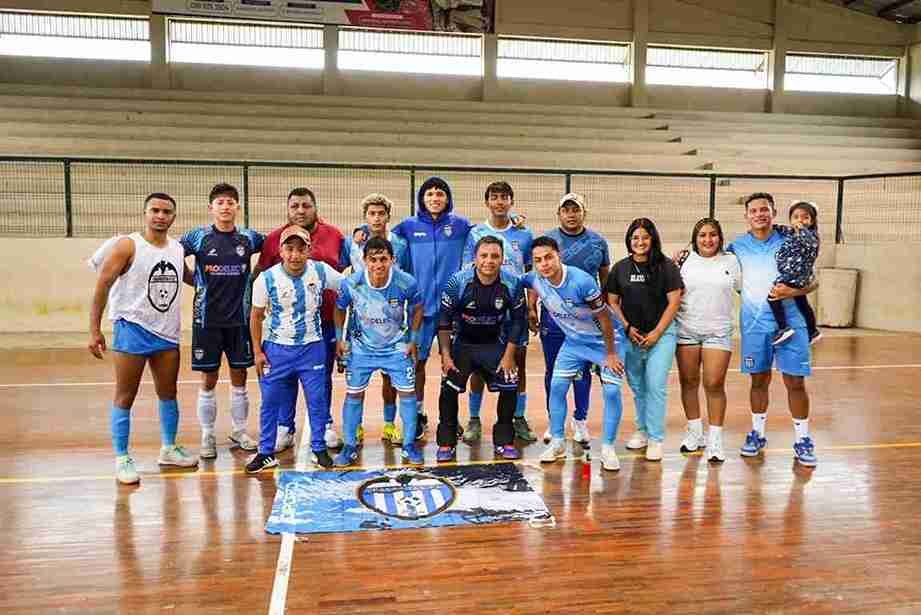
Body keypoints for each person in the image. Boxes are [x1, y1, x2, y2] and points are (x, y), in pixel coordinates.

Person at [88, 193, 197, 484]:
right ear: (145, 213)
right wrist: (94, 329)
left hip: (167, 332)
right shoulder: (128, 245)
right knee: (125, 395)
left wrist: (223, 278)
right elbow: (103, 284)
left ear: (174, 217)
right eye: (155, 210)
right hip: (131, 328)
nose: (160, 216)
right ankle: (122, 458)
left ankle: (168, 448)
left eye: (166, 212)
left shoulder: (176, 248)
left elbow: (189, 277)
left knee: (168, 393)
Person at [729, 192, 818, 467]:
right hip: (755, 325)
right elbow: (707, 257)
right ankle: (757, 433)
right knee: (758, 381)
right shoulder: (736, 246)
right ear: (746, 216)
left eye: (764, 210)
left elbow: (814, 281)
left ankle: (803, 439)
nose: (759, 214)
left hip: (791, 324)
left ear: (774, 213)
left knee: (795, 382)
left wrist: (794, 290)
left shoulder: (791, 238)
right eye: (754, 210)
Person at [523, 236, 627, 471]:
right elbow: (509, 277)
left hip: (608, 341)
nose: (544, 264)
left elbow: (604, 318)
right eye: (538, 260)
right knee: (558, 385)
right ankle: (558, 442)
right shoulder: (535, 278)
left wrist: (610, 354)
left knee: (611, 391)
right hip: (575, 342)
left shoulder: (582, 281)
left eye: (549, 257)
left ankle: (608, 448)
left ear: (559, 255)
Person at [254, 187, 345, 453]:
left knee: (320, 379)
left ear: (315, 207)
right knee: (284, 380)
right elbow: (260, 278)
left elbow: (350, 277)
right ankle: (285, 427)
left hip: (322, 325)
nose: (301, 211)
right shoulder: (272, 240)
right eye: (295, 206)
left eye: (306, 206)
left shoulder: (335, 235)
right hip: (281, 332)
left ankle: (325, 425)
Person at [180, 183, 263, 460]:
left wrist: (257, 276)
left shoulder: (248, 238)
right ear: (211, 208)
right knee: (209, 378)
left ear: (238, 207)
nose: (225, 207)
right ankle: (207, 434)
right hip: (207, 320)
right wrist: (194, 280)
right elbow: (170, 254)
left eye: (230, 202)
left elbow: (276, 244)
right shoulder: (198, 237)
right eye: (220, 202)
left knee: (240, 377)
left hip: (240, 320)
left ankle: (239, 431)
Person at [391, 176, 472, 441]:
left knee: (455, 364)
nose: (435, 198)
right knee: (418, 363)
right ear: (422, 199)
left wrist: (514, 219)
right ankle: (417, 415)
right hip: (420, 309)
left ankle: (450, 418)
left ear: (447, 199)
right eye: (430, 194)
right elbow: (384, 240)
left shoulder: (460, 226)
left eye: (440, 193)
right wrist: (362, 232)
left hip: (453, 309)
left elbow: (487, 233)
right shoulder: (408, 227)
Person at [333, 237, 425, 467]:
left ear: (392, 260)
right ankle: (350, 446)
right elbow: (339, 308)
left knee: (407, 394)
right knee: (354, 395)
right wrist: (339, 339)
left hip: (396, 348)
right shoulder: (351, 283)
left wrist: (413, 339)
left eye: (383, 259)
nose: (378, 265)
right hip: (361, 348)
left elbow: (418, 307)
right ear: (364, 261)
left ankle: (409, 444)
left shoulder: (406, 282)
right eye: (372, 260)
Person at [435, 236, 526, 462]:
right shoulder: (457, 282)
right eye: (484, 256)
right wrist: (446, 356)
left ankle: (504, 440)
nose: (489, 261)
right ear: (474, 258)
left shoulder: (512, 283)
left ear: (502, 259)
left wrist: (508, 356)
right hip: (463, 345)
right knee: (448, 388)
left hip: (494, 344)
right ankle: (446, 442)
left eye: (495, 256)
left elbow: (518, 322)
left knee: (510, 382)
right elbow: (444, 321)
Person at [532, 192, 611, 446]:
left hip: (585, 320)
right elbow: (535, 277)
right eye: (566, 210)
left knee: (582, 370)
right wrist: (531, 306)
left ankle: (580, 420)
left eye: (575, 210)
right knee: (553, 370)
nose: (571, 214)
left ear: (583, 212)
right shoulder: (548, 241)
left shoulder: (598, 242)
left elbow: (605, 279)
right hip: (553, 318)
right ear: (559, 214)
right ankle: (555, 422)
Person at [461, 181, 535, 443]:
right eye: (495, 197)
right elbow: (468, 270)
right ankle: (473, 419)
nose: (500, 202)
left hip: (514, 309)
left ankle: (518, 417)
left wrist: (532, 306)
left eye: (505, 197)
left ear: (511, 201)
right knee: (478, 366)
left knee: (519, 363)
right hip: (482, 309)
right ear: (487, 202)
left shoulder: (525, 235)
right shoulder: (476, 233)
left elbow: (531, 273)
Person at [607, 218, 683, 462]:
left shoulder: (666, 267)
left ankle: (656, 439)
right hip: (631, 336)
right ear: (629, 240)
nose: (640, 242)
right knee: (638, 386)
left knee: (656, 385)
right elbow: (612, 301)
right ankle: (642, 430)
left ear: (653, 239)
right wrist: (627, 328)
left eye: (645, 237)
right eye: (635, 237)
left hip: (661, 335)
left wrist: (658, 333)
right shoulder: (620, 268)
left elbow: (674, 302)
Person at [339, 193, 410, 446]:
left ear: (388, 216)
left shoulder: (399, 244)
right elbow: (342, 276)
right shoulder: (352, 242)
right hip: (360, 321)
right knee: (357, 376)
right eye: (372, 213)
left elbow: (406, 279)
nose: (377, 218)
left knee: (391, 377)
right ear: (365, 217)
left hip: (391, 321)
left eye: (381, 213)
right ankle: (355, 428)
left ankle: (390, 425)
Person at [674, 218, 741, 463]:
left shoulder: (731, 261)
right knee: (688, 381)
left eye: (713, 235)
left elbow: (745, 290)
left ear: (720, 237)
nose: (708, 239)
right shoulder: (684, 260)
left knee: (713, 383)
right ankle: (694, 433)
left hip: (718, 330)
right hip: (686, 329)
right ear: (695, 238)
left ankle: (715, 439)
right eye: (702, 235)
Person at [769, 201, 822, 346]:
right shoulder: (792, 232)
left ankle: (783, 328)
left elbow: (810, 243)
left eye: (805, 217)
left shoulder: (811, 236)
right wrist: (772, 227)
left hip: (795, 275)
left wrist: (802, 229)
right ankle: (813, 331)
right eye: (796, 217)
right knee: (802, 303)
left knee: (773, 297)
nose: (800, 220)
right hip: (795, 275)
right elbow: (784, 229)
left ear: (812, 221)